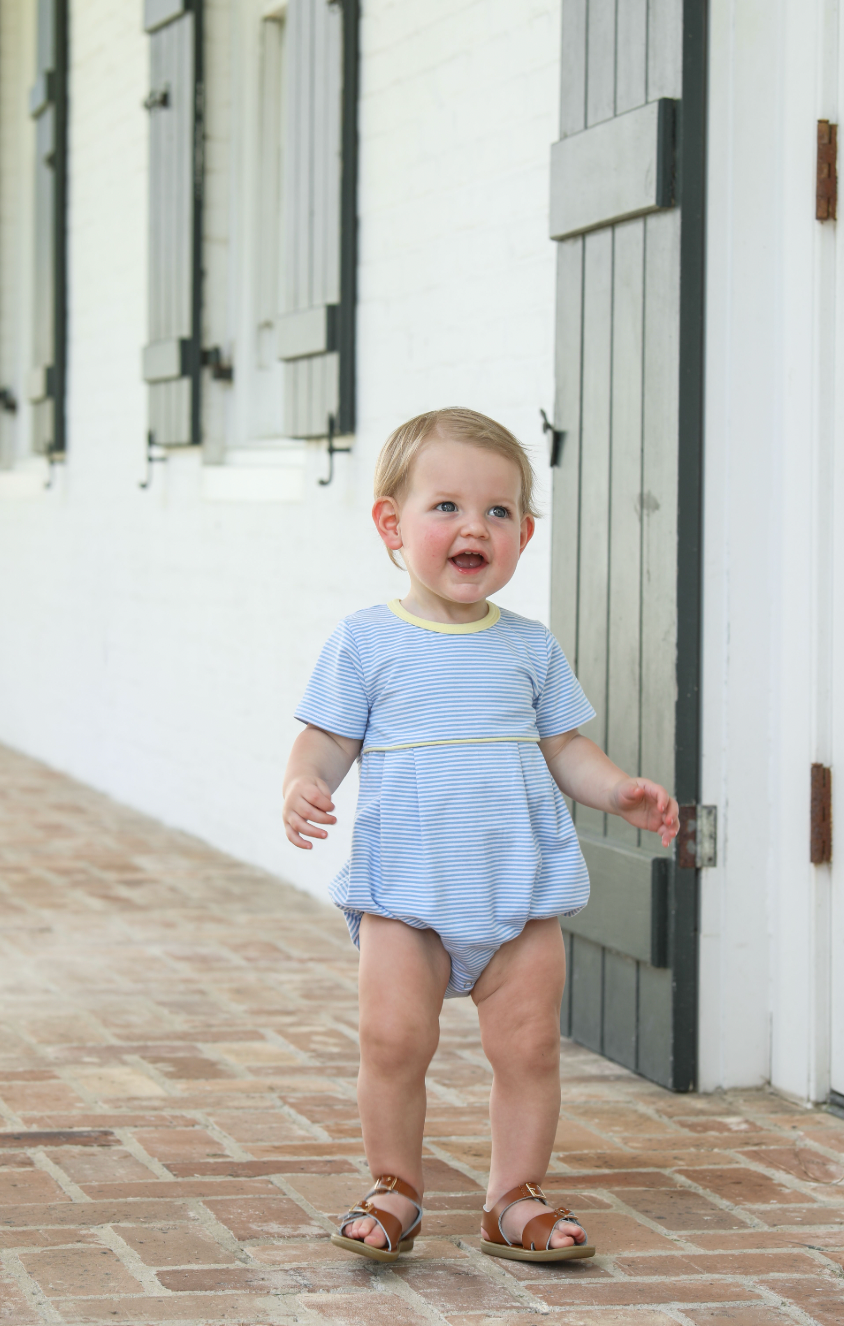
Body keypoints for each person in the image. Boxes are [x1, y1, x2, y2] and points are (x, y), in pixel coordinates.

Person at [282, 408, 679, 1264]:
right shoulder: (367, 640)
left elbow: (565, 748)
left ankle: (513, 1197)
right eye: (447, 507)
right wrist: (304, 782)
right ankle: (395, 1186)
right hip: (406, 894)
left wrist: (618, 791)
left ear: (524, 535)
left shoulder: (530, 648)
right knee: (393, 1043)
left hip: (518, 892)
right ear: (391, 524)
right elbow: (327, 739)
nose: (475, 528)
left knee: (529, 1049)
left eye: (498, 511)